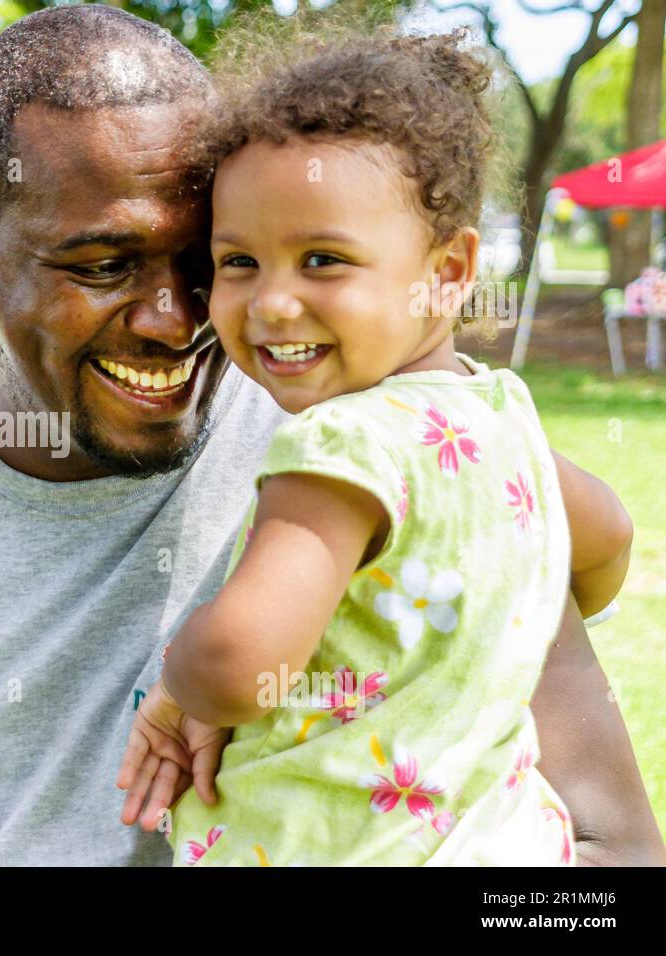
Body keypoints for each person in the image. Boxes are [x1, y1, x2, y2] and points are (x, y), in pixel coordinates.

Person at [0, 7, 663, 866]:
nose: (178, 320)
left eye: (201, 262)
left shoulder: (384, 449)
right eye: (101, 264)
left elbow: (611, 859)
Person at [116, 27, 647, 866]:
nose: (274, 304)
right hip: (505, 845)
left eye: (322, 260)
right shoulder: (499, 411)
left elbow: (240, 664)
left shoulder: (341, 444)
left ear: (448, 269)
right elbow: (609, 533)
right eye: (239, 261)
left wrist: (177, 683)